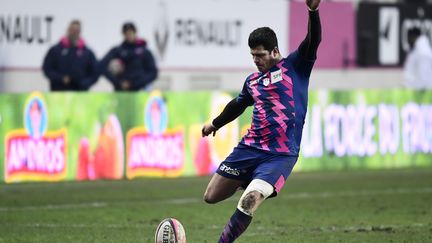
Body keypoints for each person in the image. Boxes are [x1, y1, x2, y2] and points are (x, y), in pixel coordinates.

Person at [201, 0, 321, 242]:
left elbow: (313, 40)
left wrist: (313, 12)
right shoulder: (253, 81)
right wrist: (215, 123)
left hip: (280, 154)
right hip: (250, 147)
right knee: (211, 196)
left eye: (260, 55)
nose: (256, 60)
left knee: (249, 201)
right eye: (253, 56)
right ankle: (248, 177)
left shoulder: (296, 66)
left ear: (274, 52)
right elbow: (238, 104)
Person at [100, 22, 158, 91]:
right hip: (122, 90)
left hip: (140, 90)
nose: (129, 35)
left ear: (135, 33)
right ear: (123, 34)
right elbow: (101, 66)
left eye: (131, 32)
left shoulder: (144, 51)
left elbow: (153, 72)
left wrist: (136, 83)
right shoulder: (117, 51)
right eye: (126, 33)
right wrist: (117, 82)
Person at [42, 20, 98, 91]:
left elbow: (95, 73)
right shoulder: (55, 50)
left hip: (80, 93)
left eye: (77, 30)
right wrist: (60, 78)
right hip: (59, 92)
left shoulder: (87, 53)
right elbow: (47, 69)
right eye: (72, 30)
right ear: (68, 30)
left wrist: (84, 83)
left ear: (80, 32)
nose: (74, 32)